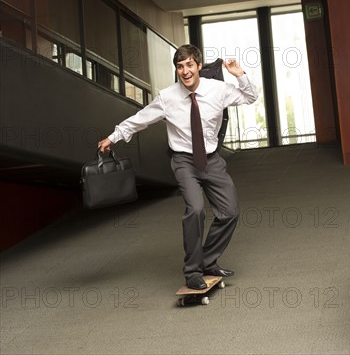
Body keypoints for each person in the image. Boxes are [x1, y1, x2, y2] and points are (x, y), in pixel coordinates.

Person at [98, 44, 257, 290]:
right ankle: (193, 271)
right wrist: (113, 137)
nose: (185, 71)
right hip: (184, 161)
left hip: (212, 160)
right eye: (180, 67)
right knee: (195, 210)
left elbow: (250, 97)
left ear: (199, 66)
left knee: (230, 212)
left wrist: (240, 75)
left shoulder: (218, 90)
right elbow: (140, 119)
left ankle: (208, 260)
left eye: (189, 65)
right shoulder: (168, 97)